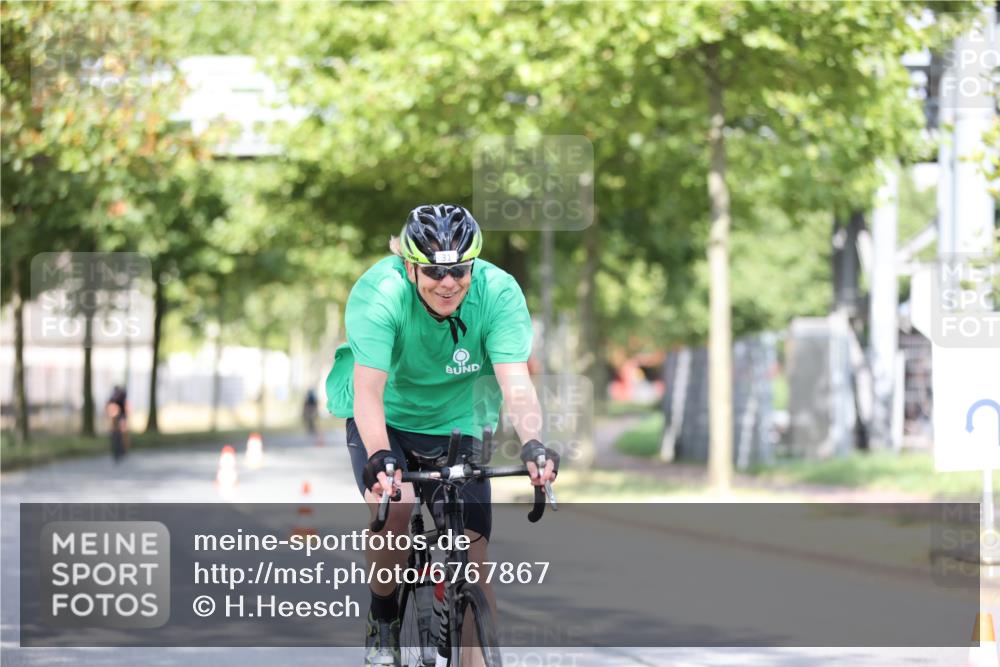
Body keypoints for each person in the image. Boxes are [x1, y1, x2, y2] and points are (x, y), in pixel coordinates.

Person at [325, 204, 559, 667]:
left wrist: (533, 443)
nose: (448, 283)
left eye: (459, 270)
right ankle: (383, 617)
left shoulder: (498, 293)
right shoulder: (380, 292)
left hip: (459, 420)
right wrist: (380, 456)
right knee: (397, 507)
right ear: (409, 265)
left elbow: (516, 383)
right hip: (386, 416)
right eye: (434, 271)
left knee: (472, 554)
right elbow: (368, 392)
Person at [105, 385, 130, 463]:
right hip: (117, 417)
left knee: (122, 432)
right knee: (119, 432)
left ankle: (123, 448)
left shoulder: (119, 397)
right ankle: (121, 448)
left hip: (120, 417)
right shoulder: (117, 397)